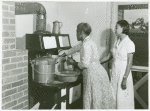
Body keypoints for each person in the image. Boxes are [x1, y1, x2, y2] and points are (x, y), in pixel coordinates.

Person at [60, 22, 115, 109]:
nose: (75, 34)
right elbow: (74, 49)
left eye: (76, 32)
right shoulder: (88, 41)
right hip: (99, 72)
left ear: (81, 32)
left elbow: (85, 64)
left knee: (92, 100)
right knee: (99, 100)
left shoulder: (86, 45)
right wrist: (63, 54)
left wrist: (72, 62)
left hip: (93, 75)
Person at [100, 20, 135, 109]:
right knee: (114, 97)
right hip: (115, 73)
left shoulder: (129, 43)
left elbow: (129, 63)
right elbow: (108, 57)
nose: (115, 29)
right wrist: (96, 62)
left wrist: (125, 79)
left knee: (123, 99)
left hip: (123, 74)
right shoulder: (117, 42)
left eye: (116, 27)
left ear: (123, 28)